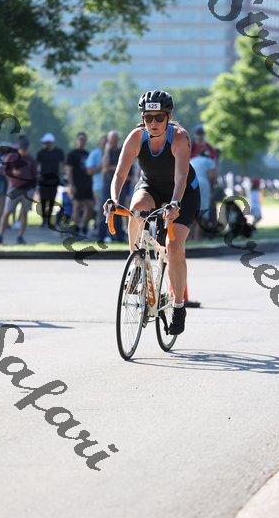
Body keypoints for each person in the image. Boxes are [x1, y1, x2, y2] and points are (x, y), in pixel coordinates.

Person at [103, 90, 200, 335]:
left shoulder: (179, 137)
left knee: (174, 246)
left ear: (168, 117)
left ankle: (179, 306)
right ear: (142, 118)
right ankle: (137, 263)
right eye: (148, 118)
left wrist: (175, 203)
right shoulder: (136, 137)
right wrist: (114, 199)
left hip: (183, 192)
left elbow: (181, 177)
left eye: (159, 118)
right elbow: (120, 174)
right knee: (136, 209)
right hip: (151, 187)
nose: (153, 123)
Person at [0, 136, 37, 245]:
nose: (24, 151)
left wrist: (33, 189)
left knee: (24, 213)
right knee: (7, 212)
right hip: (14, 188)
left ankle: (20, 236)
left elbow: (34, 175)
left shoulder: (31, 159)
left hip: (27, 190)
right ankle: (0, 236)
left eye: (26, 149)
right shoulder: (11, 157)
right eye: (22, 149)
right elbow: (4, 171)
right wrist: (12, 173)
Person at [66, 132, 94, 235]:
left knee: (90, 207)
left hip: (88, 184)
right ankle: (76, 227)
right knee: (76, 206)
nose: (82, 141)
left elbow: (90, 169)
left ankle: (84, 225)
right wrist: (71, 185)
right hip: (76, 184)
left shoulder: (88, 154)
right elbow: (68, 170)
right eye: (80, 139)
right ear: (76, 140)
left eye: (84, 140)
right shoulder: (72, 154)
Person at [36, 132, 65, 227]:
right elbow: (38, 166)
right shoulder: (41, 153)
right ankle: (43, 220)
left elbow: (62, 164)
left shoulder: (58, 152)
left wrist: (61, 175)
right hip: (43, 180)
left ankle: (48, 220)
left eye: (46, 142)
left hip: (54, 180)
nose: (45, 144)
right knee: (43, 201)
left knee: (52, 200)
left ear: (51, 142)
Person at [190, 148, 216, 239]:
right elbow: (212, 176)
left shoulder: (192, 160)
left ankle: (190, 238)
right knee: (203, 211)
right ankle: (197, 237)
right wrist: (212, 189)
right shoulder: (209, 161)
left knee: (192, 212)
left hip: (191, 184)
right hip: (203, 184)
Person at [85, 134, 107, 233]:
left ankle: (106, 231)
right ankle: (98, 230)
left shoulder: (113, 153)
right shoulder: (94, 154)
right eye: (103, 142)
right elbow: (89, 171)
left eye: (107, 142)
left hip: (109, 186)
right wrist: (102, 166)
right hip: (98, 186)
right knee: (99, 209)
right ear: (99, 143)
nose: (105, 144)